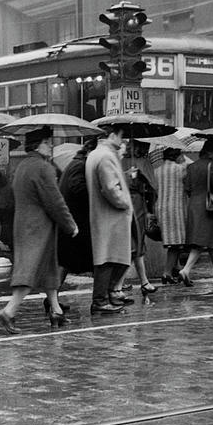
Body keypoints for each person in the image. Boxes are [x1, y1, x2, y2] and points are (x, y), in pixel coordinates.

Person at [0, 127, 78, 333]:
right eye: (48, 142)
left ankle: (56, 311)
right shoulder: (42, 168)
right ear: (38, 145)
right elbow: (55, 201)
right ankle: (8, 312)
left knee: (49, 270)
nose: (51, 146)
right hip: (38, 229)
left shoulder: (23, 166)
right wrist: (70, 225)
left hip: (23, 225)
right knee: (28, 272)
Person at [86, 124, 133, 314]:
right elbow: (111, 188)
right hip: (110, 216)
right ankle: (100, 300)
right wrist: (125, 203)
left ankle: (105, 297)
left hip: (102, 215)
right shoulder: (105, 156)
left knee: (108, 257)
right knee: (108, 258)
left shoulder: (95, 154)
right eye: (120, 136)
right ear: (112, 135)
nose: (122, 141)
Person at [178, 138, 213, 284]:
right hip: (206, 206)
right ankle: (186, 270)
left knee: (212, 238)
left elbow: (187, 188)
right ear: (211, 153)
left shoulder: (191, 166)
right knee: (201, 240)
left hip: (194, 204)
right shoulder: (212, 165)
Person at [58, 136, 99, 278]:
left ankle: (104, 292)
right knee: (69, 260)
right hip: (76, 220)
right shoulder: (80, 165)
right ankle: (103, 293)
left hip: (75, 219)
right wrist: (95, 194)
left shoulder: (78, 163)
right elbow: (77, 187)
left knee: (67, 261)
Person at [122, 141, 158, 296]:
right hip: (137, 204)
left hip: (122, 203)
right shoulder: (142, 162)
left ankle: (140, 281)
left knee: (131, 243)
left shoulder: (120, 159)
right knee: (137, 243)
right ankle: (139, 282)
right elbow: (153, 186)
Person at [155, 146, 187, 283]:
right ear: (177, 156)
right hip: (175, 209)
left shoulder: (157, 171)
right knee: (175, 243)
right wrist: (183, 159)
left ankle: (176, 268)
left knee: (173, 242)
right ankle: (166, 273)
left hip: (161, 208)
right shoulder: (181, 169)